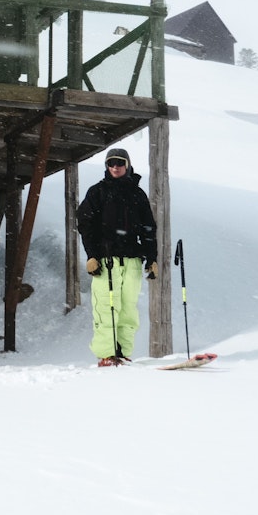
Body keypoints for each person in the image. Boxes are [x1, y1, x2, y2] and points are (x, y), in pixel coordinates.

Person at [76, 146, 158, 366]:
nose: (115, 167)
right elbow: (85, 225)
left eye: (120, 163)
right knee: (106, 308)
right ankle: (106, 355)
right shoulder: (97, 192)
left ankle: (123, 354)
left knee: (128, 309)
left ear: (127, 165)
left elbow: (148, 228)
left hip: (131, 261)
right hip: (106, 261)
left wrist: (152, 258)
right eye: (111, 163)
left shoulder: (137, 194)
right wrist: (92, 256)